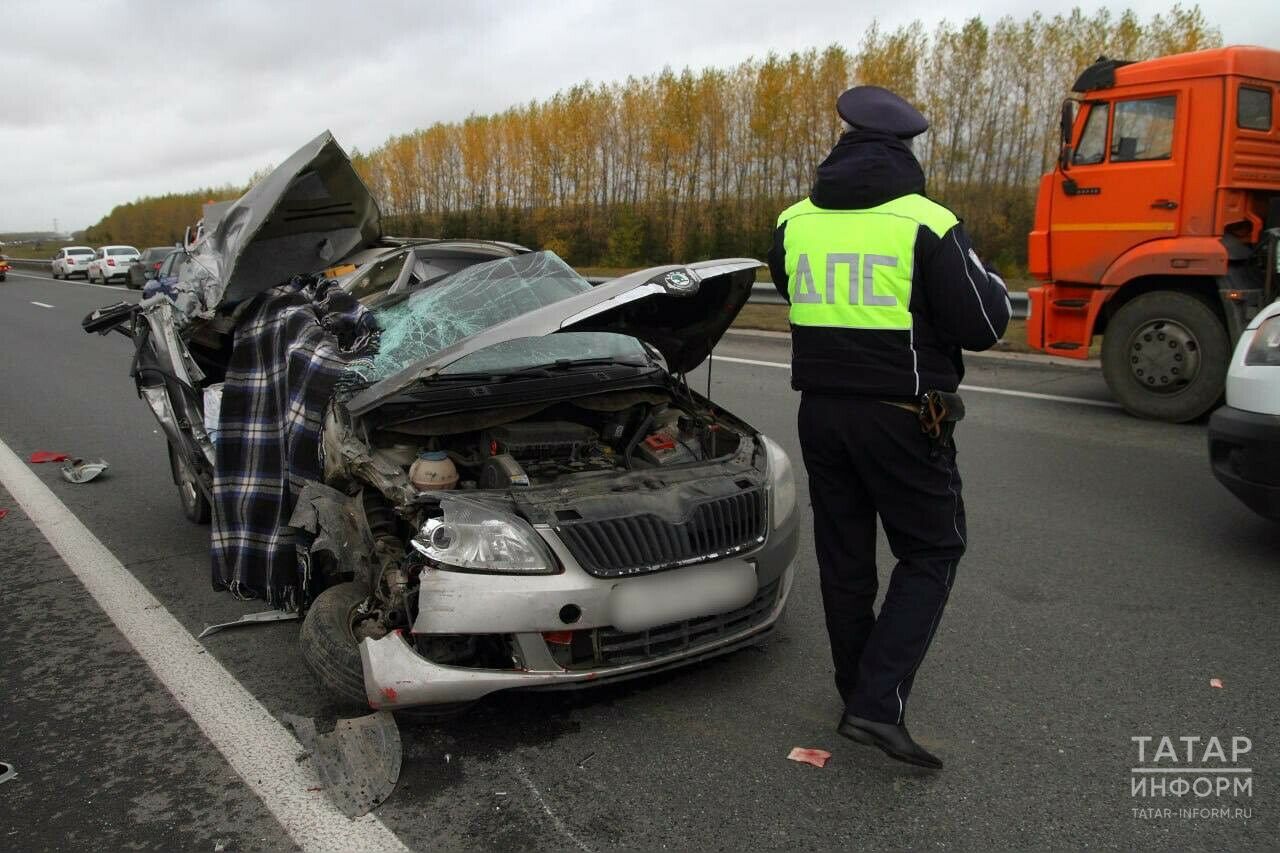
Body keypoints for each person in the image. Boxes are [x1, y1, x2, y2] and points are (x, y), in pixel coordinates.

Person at [767, 85, 1011, 770]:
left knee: (846, 559)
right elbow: (986, 323)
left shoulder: (794, 221)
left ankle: (857, 692)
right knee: (933, 550)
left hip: (820, 411)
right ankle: (875, 704)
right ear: (905, 149)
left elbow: (797, 293)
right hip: (904, 415)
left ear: (842, 146)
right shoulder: (926, 222)